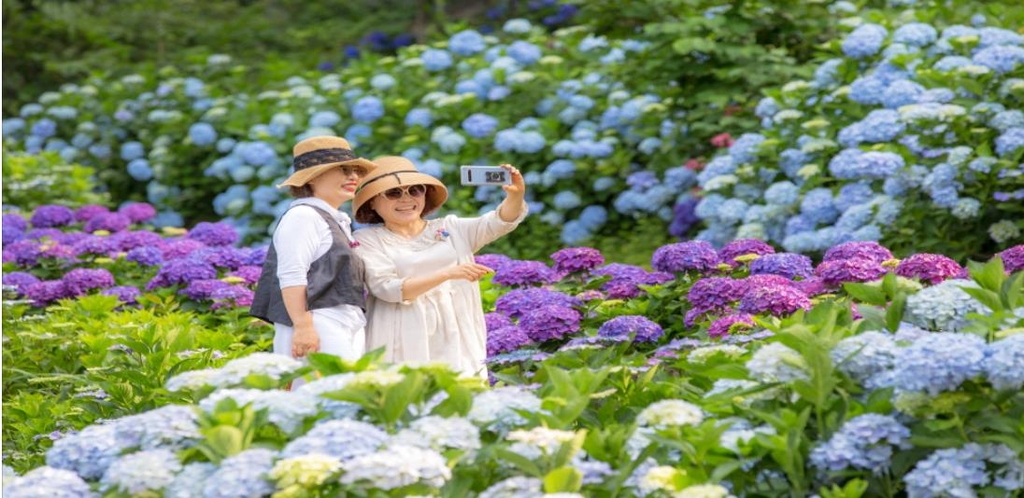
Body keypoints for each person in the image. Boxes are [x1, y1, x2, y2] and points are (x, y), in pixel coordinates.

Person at [352, 156, 527, 378]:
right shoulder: (367, 239)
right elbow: (386, 288)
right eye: (394, 193)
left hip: (457, 328)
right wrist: (447, 274)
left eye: (415, 190)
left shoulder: (451, 227)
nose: (406, 199)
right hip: (402, 332)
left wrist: (516, 194)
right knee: (408, 396)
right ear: (372, 202)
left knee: (463, 395)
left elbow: (499, 221)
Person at [250, 136, 377, 367]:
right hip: (318, 322)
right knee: (325, 394)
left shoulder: (331, 218)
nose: (354, 177)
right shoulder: (303, 216)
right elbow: (291, 275)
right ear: (314, 176)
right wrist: (303, 326)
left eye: (355, 170)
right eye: (343, 170)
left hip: (341, 321)